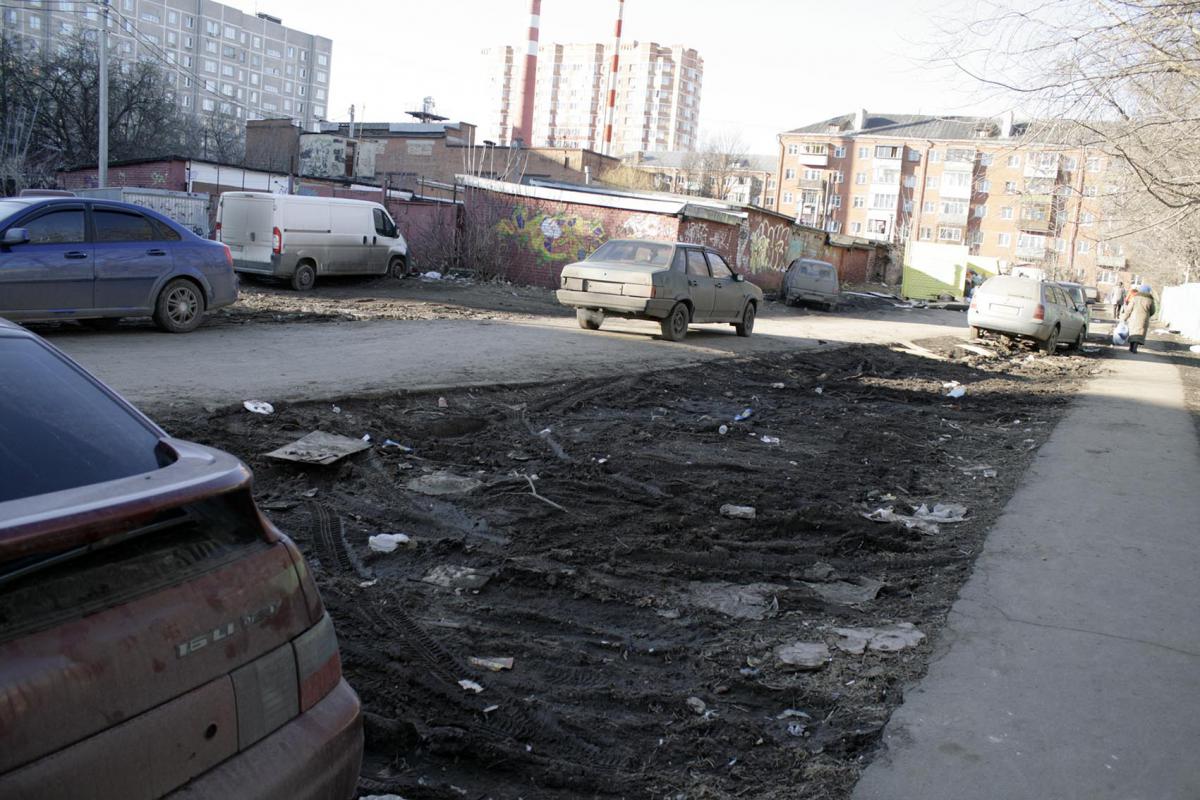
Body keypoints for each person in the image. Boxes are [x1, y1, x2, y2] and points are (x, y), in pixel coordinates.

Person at [1120, 283, 1156, 353]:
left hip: (1133, 318)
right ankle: (1135, 348)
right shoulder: (1150, 300)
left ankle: (1131, 347)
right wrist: (1148, 315)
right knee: (1139, 333)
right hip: (1143, 319)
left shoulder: (1135, 298)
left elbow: (1129, 309)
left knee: (1133, 333)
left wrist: (1124, 318)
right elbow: (1153, 311)